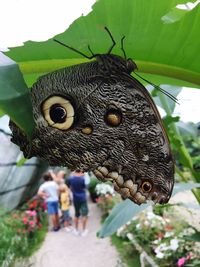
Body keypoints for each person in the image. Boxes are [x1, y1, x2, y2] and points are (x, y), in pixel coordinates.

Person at [68, 170, 89, 237]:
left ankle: (76, 230)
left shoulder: (71, 178)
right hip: (83, 198)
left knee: (76, 214)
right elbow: (86, 186)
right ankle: (84, 230)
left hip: (75, 198)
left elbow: (70, 187)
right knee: (84, 214)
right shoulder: (83, 178)